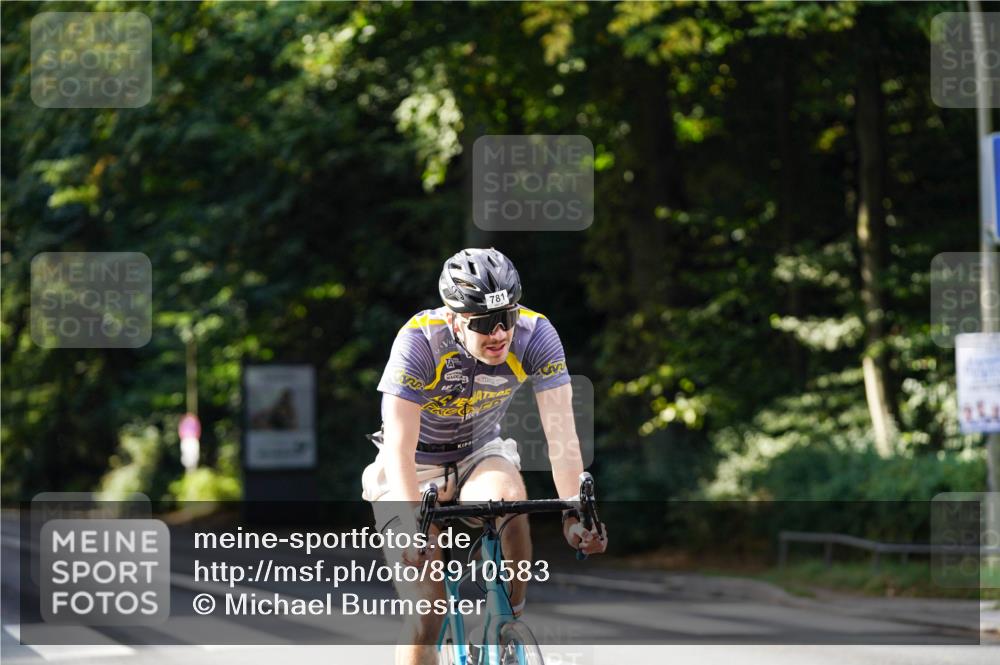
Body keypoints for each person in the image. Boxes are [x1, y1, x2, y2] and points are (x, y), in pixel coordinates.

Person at [361, 247, 608, 665]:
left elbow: (561, 431)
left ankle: (506, 623)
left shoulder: (536, 334)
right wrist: (410, 525)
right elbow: (400, 446)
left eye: (506, 317)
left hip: (479, 451)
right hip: (412, 464)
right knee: (429, 609)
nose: (499, 334)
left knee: (509, 502)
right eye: (483, 323)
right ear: (454, 318)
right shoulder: (419, 341)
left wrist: (573, 514)